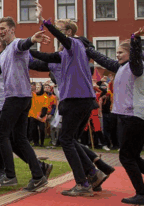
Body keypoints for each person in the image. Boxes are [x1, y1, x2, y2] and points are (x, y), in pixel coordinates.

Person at [86, 31, 144, 205]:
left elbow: (135, 57)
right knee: (132, 156)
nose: (117, 55)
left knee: (126, 157)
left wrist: (136, 41)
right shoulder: (122, 67)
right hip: (136, 117)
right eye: (117, 52)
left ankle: (143, 193)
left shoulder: (138, 66)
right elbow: (103, 60)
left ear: (131, 53)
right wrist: (87, 49)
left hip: (136, 116)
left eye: (121, 52)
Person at [27, 13, 103, 196]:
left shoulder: (74, 44)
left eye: (61, 32)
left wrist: (46, 23)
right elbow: (43, 57)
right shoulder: (66, 54)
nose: (58, 38)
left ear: (68, 32)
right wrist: (23, 48)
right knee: (70, 139)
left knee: (66, 140)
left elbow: (60, 40)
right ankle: (93, 173)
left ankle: (83, 183)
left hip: (76, 99)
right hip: (81, 100)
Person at [0, 17, 48, 190]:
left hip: (16, 97)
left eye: (3, 28)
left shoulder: (16, 45)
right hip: (22, 97)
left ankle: (10, 175)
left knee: (1, 135)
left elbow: (23, 44)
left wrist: (31, 39)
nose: (0, 32)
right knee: (20, 139)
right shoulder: (5, 53)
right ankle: (38, 175)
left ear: (12, 29)